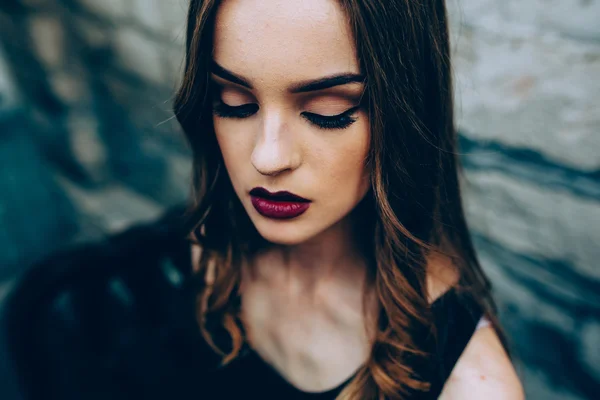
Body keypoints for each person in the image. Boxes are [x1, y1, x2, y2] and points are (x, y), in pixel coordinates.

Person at [3, 0, 524, 399]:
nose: (267, 157)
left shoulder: (471, 384)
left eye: (326, 109)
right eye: (233, 102)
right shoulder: (140, 277)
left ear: (405, 115)